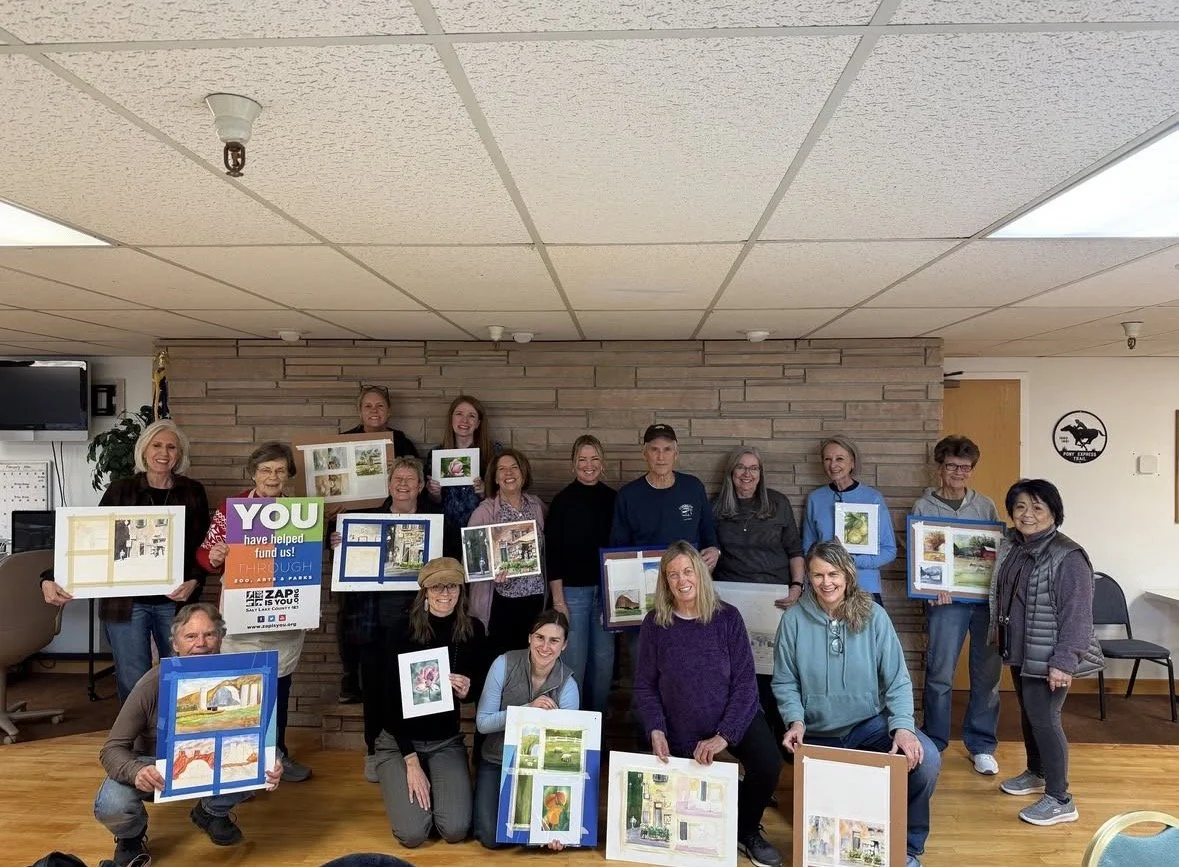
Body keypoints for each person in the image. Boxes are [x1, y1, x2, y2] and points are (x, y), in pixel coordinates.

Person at [772, 540, 940, 867]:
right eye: (817, 575)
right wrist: (796, 720)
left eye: (833, 573)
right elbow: (785, 681)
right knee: (826, 835)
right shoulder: (793, 620)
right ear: (808, 577)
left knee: (926, 758)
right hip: (817, 735)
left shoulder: (874, 616)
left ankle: (906, 848)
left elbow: (897, 679)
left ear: (847, 575)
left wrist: (903, 728)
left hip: (869, 727)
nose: (826, 582)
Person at [93, 603, 282, 866]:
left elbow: (263, 740)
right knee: (111, 805)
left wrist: (273, 762)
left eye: (209, 634)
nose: (201, 643)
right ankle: (131, 835)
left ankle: (211, 812)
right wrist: (136, 772)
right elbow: (111, 749)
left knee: (266, 762)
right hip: (154, 765)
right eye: (191, 636)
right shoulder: (152, 683)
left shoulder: (244, 677)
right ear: (175, 644)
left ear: (221, 639)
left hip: (218, 759)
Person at [634, 541, 783, 867]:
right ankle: (723, 819)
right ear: (664, 581)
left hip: (733, 715)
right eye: (672, 574)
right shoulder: (654, 624)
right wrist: (655, 729)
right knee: (685, 823)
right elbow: (645, 687)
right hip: (680, 724)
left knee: (769, 763)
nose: (681, 580)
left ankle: (746, 831)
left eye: (687, 571)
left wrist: (724, 736)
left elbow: (746, 687)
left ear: (700, 573)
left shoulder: (727, 618)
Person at [41, 419, 210, 703]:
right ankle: (136, 742)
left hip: (174, 601)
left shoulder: (192, 492)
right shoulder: (121, 490)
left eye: (172, 447)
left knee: (184, 676)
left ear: (180, 455)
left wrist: (194, 579)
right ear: (144, 450)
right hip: (127, 603)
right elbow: (91, 540)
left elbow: (200, 545)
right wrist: (49, 577)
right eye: (157, 445)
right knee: (135, 680)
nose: (164, 453)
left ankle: (180, 742)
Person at [331, 456, 461, 782]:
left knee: (420, 685)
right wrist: (338, 543)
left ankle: (421, 750)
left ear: (420, 485)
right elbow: (349, 562)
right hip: (374, 623)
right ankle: (375, 751)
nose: (403, 485)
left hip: (421, 622)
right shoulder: (366, 520)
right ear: (389, 485)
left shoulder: (437, 523)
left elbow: (452, 565)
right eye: (397, 479)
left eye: (409, 479)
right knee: (375, 690)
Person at [196, 441, 312, 783]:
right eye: (265, 470)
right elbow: (204, 555)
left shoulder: (301, 514)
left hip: (284, 614)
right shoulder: (231, 510)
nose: (272, 477)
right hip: (241, 614)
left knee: (280, 689)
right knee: (239, 688)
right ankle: (236, 762)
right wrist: (215, 556)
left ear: (288, 474)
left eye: (279, 470)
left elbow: (304, 560)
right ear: (253, 474)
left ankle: (277, 756)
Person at [990, 479, 1103, 827]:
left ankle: (1060, 798)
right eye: (1021, 506)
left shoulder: (1068, 556)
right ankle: (1036, 772)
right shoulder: (1014, 547)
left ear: (1054, 512)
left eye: (1038, 507)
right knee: (1029, 714)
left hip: (1051, 655)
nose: (1028, 514)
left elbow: (1078, 614)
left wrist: (1064, 662)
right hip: (1022, 649)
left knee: (1045, 720)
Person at [372, 557, 489, 848]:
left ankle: (439, 786)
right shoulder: (401, 631)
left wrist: (467, 691)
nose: (445, 594)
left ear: (461, 590)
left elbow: (476, 689)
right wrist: (410, 762)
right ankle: (412, 778)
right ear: (425, 591)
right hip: (400, 742)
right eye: (437, 587)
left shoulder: (473, 629)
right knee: (413, 835)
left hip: (444, 740)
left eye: (451, 586)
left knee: (455, 829)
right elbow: (387, 702)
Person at [914, 436, 1003, 776]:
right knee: (939, 673)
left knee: (987, 675)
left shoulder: (986, 506)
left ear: (972, 470)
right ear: (940, 468)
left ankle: (981, 745)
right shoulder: (923, 506)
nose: (958, 472)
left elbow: (993, 553)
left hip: (984, 603)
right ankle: (935, 741)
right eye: (951, 466)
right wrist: (932, 588)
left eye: (965, 467)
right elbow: (922, 556)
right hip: (944, 602)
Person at [712, 446, 806, 750]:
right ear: (731, 472)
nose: (747, 474)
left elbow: (795, 550)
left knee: (773, 675)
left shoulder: (777, 504)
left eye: (754, 468)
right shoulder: (715, 508)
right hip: (731, 604)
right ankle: (743, 749)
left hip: (775, 603)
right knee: (738, 675)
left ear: (761, 473)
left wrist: (797, 586)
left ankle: (778, 749)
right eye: (741, 467)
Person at [337, 384, 420, 704]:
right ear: (360, 411)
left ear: (389, 410)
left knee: (394, 608)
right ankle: (352, 676)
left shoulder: (402, 442)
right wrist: (334, 520)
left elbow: (412, 483)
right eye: (368, 406)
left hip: (397, 532)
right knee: (353, 610)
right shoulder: (343, 441)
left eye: (380, 406)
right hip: (354, 537)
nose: (374, 411)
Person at [474, 609, 579, 851]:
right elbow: (483, 723)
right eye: (540, 637)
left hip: (540, 771)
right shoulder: (503, 663)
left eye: (554, 641)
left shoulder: (568, 685)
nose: (545, 647)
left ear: (564, 645)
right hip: (497, 760)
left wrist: (563, 824)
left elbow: (568, 751)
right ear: (529, 638)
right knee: (490, 837)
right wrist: (527, 709)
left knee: (537, 840)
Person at [545, 434, 617, 714]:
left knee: (603, 664)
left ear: (603, 462)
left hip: (607, 595)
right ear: (573, 464)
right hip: (572, 595)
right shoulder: (562, 502)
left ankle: (597, 732)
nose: (589, 465)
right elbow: (554, 553)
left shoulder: (614, 499)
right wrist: (558, 601)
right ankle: (573, 730)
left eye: (595, 459)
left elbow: (621, 547)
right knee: (573, 665)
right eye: (582, 460)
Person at [467, 449, 547, 658]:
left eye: (514, 467)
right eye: (501, 469)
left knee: (532, 661)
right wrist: (489, 571)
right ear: (494, 477)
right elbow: (471, 561)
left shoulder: (537, 506)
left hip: (535, 600)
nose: (508, 473)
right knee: (502, 662)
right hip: (500, 603)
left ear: (524, 473)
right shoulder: (484, 512)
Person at [802, 435, 896, 605]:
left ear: (852, 462)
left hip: (865, 589)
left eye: (839, 459)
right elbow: (807, 550)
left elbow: (889, 550)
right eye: (827, 459)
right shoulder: (815, 499)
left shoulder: (872, 498)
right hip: (826, 590)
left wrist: (851, 561)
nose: (833, 465)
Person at [609, 424, 720, 568]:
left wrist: (714, 549)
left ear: (676, 453)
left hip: (688, 578)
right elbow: (618, 548)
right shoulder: (628, 495)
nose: (661, 457)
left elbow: (708, 529)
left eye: (667, 449)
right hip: (646, 578)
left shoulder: (693, 487)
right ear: (645, 454)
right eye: (654, 449)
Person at [426, 395, 501, 528]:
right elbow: (432, 503)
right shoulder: (436, 454)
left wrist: (485, 492)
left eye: (471, 415)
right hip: (446, 531)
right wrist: (434, 494)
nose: (464, 420)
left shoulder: (494, 452)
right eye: (459, 414)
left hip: (483, 528)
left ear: (478, 423)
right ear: (451, 419)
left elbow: (506, 494)